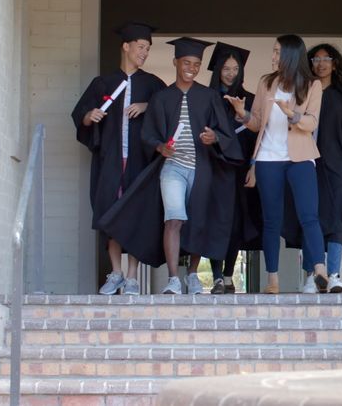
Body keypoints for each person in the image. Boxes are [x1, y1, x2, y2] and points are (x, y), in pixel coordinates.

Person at [131, 36, 244, 294]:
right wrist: (160, 147)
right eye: (186, 63)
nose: (191, 68)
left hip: (202, 168)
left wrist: (214, 137)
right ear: (175, 62)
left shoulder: (209, 97)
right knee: (174, 219)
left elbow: (225, 133)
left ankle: (193, 275)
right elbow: (147, 135)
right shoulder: (161, 98)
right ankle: (173, 278)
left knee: (198, 220)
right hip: (172, 168)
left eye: (196, 64)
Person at [70, 22, 166, 295]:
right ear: (126, 47)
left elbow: (166, 111)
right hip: (111, 160)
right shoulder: (103, 83)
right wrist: (91, 117)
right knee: (110, 212)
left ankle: (133, 276)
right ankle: (116, 272)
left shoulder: (152, 84)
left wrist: (147, 106)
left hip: (139, 161)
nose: (144, 52)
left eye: (147, 48)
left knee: (135, 214)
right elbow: (80, 115)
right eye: (140, 47)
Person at [230, 34, 329, 294]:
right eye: (273, 52)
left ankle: (320, 271)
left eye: (276, 52)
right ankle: (272, 279)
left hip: (300, 157)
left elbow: (311, 123)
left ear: (290, 55)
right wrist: (243, 114)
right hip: (268, 159)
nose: (273, 57)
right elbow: (257, 122)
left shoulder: (311, 85)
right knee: (271, 220)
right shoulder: (266, 83)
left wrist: (292, 115)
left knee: (309, 216)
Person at [301, 43, 342, 294]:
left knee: (338, 219)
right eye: (316, 60)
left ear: (335, 64)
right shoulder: (303, 94)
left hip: (337, 166)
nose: (321, 63)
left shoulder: (341, 97)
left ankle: (334, 274)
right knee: (309, 218)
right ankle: (312, 276)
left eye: (327, 58)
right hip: (307, 164)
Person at [206, 42, 262, 294]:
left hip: (240, 170)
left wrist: (253, 166)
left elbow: (259, 137)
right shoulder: (207, 98)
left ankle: (228, 275)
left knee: (236, 223)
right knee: (216, 220)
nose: (230, 73)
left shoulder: (249, 100)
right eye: (226, 68)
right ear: (218, 69)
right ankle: (217, 275)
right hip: (214, 167)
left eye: (235, 68)